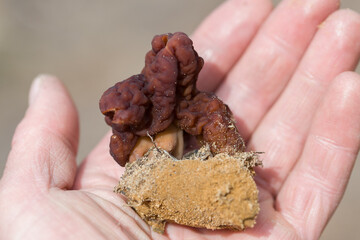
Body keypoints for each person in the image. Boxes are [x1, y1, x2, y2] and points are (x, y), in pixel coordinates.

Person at [1, 0, 359, 239]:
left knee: (210, 121)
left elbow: (211, 119)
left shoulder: (191, 106)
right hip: (157, 154)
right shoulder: (141, 118)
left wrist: (233, 165)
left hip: (196, 148)